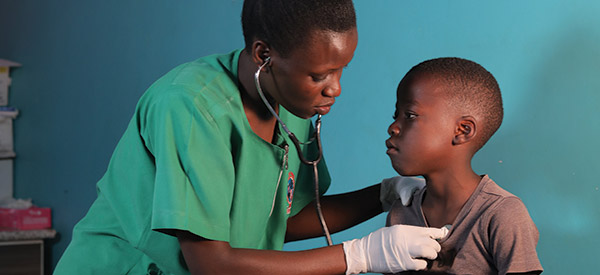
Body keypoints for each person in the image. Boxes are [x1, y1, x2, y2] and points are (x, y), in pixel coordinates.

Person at [55, 1, 447, 274]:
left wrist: (383, 195)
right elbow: (212, 264)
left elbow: (282, 222)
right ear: (264, 55)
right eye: (319, 75)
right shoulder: (191, 107)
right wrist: (360, 255)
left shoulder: (291, 104)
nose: (335, 89)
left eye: (341, 70)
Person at [385, 57, 544, 274]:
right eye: (396, 115)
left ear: (462, 131)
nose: (393, 127)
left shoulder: (502, 214)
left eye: (410, 115)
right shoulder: (401, 212)